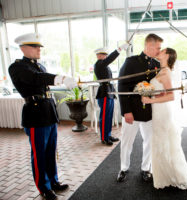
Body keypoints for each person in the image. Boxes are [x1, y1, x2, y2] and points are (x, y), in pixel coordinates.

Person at [8, 33, 77, 200]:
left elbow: (42, 80)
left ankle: (53, 181)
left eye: (39, 46)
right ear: (23, 48)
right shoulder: (17, 67)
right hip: (35, 114)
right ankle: (44, 187)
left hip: (47, 113)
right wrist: (60, 78)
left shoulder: (40, 66)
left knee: (50, 151)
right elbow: (34, 79)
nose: (39, 49)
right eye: (35, 46)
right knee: (39, 153)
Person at [142, 48, 187, 190]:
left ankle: (169, 175)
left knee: (162, 140)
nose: (159, 51)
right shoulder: (163, 70)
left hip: (162, 111)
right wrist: (149, 93)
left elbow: (171, 96)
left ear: (168, 55)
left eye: (162, 51)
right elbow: (163, 92)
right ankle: (167, 172)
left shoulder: (165, 72)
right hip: (160, 109)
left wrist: (150, 100)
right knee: (164, 140)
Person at [117, 33, 163, 182]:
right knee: (127, 141)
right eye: (157, 48)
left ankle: (145, 168)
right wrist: (126, 111)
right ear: (149, 46)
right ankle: (124, 168)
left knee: (149, 140)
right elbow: (122, 86)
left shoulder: (156, 64)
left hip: (149, 111)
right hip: (132, 109)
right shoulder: (131, 62)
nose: (159, 51)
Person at [94, 43, 129, 145]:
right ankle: (104, 138)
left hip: (109, 91)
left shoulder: (103, 64)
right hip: (104, 92)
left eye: (105, 55)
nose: (105, 57)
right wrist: (119, 49)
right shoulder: (99, 64)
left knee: (109, 116)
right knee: (104, 116)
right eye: (103, 55)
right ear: (98, 55)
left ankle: (108, 135)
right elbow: (110, 59)